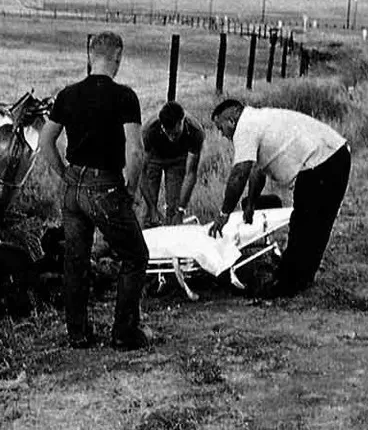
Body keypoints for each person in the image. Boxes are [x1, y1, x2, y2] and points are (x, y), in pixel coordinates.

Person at [38, 31, 150, 350]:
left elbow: (45, 141)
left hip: (74, 186)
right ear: (118, 57)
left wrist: (64, 175)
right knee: (135, 255)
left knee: (76, 260)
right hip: (105, 185)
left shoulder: (67, 94)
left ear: (90, 56)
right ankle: (124, 333)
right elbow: (136, 151)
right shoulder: (125, 97)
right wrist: (130, 188)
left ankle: (78, 333)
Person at [207, 98, 351, 298]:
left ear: (231, 120)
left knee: (305, 223)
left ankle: (288, 284)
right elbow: (257, 172)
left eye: (220, 127)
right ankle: (300, 279)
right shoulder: (257, 119)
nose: (222, 134)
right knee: (316, 224)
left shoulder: (245, 128)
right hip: (336, 154)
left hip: (322, 162)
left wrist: (224, 214)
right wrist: (251, 204)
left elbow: (240, 173)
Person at [140, 101, 205, 227]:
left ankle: (171, 232)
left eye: (175, 133)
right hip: (154, 157)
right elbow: (142, 173)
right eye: (167, 133)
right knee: (147, 210)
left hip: (178, 160)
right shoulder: (149, 130)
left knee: (174, 208)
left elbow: (191, 174)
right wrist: (152, 208)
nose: (171, 138)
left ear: (182, 121)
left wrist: (181, 210)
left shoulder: (195, 131)